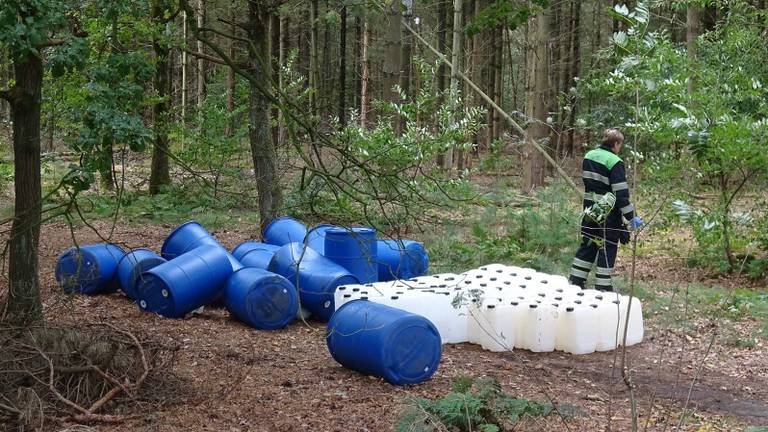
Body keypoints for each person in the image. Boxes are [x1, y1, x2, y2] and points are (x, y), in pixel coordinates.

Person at [568, 128, 643, 292]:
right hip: (608, 214)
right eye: (619, 145)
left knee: (588, 244)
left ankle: (575, 281)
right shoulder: (615, 162)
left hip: (589, 210)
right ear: (616, 144)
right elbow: (621, 194)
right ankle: (603, 287)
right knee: (607, 247)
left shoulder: (589, 156)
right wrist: (632, 217)